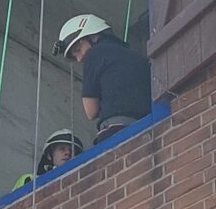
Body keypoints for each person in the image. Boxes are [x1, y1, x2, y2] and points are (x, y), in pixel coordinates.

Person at [53, 14, 152, 143]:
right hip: (148, 126)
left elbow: (91, 112)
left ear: (92, 37)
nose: (79, 58)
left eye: (78, 49)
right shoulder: (137, 56)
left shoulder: (94, 55)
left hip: (116, 130)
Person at [13, 129, 84, 190]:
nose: (68, 153)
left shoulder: (82, 181)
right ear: (49, 155)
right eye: (62, 149)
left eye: (72, 151)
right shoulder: (30, 180)